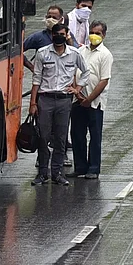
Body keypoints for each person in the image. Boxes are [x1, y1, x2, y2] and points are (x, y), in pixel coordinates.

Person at [29, 22, 88, 186]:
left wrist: (77, 89)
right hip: (45, 99)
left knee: (61, 138)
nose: (59, 37)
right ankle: (42, 173)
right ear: (52, 36)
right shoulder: (42, 53)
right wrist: (33, 103)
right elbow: (36, 79)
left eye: (62, 34)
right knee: (43, 137)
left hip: (64, 100)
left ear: (66, 35)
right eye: (56, 35)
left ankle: (57, 174)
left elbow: (86, 71)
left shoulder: (74, 54)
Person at [69, 22, 113, 180]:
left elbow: (104, 80)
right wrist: (78, 93)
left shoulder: (105, 55)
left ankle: (93, 169)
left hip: (95, 103)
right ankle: (80, 167)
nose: (94, 35)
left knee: (95, 136)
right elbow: (74, 72)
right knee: (77, 134)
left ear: (104, 35)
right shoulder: (81, 51)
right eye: (92, 32)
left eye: (98, 33)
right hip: (78, 100)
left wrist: (89, 99)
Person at [23, 5, 66, 73]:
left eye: (54, 18)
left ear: (61, 20)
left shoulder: (67, 36)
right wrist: (31, 67)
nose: (51, 19)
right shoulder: (38, 37)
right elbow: (19, 50)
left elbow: (76, 52)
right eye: (49, 17)